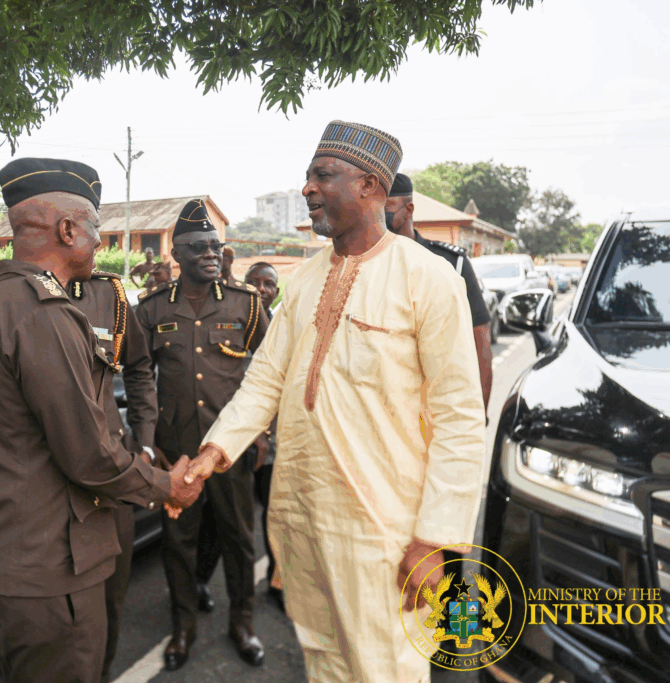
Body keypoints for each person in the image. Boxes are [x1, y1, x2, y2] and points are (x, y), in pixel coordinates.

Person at [188, 121, 487, 683]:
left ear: (370, 186)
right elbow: (266, 379)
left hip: (386, 532)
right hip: (304, 521)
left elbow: (460, 418)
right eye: (308, 177)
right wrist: (214, 451)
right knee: (324, 660)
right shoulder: (304, 280)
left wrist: (434, 538)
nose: (307, 188)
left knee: (385, 668)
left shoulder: (427, 277)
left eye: (323, 175)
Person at [0, 158, 202, 683]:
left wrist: (18, 464)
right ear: (67, 230)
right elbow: (88, 454)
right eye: (94, 228)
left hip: (16, 553)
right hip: (49, 566)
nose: (99, 243)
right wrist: (167, 486)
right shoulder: (46, 314)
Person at [135, 199, 269, 671]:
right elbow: (140, 378)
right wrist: (149, 444)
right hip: (177, 454)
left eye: (215, 245)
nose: (211, 253)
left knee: (239, 540)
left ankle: (243, 624)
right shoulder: (152, 310)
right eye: (198, 247)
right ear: (177, 254)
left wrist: (262, 434)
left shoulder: (245, 305)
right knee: (178, 544)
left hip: (231, 450)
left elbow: (268, 373)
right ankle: (183, 629)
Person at [66, 269, 159, 683]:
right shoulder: (17, 297)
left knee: (109, 599)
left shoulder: (109, 296)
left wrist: (146, 442)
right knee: (57, 612)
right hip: (51, 483)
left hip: (111, 479)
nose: (95, 241)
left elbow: (138, 367)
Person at [194, 261, 281, 613]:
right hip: (235, 442)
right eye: (253, 282)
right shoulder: (233, 321)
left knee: (275, 516)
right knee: (220, 517)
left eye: (268, 283)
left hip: (274, 445)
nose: (261, 288)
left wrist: (266, 433)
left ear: (276, 291)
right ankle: (200, 580)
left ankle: (277, 581)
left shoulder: (285, 326)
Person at [385, 173, 494, 407]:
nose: (380, 215)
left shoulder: (452, 263)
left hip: (439, 402)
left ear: (409, 209)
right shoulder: (365, 264)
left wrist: (481, 408)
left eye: (387, 206)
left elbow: (479, 337)